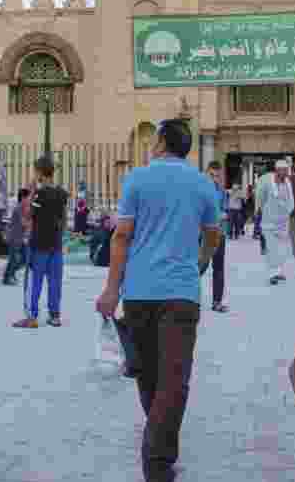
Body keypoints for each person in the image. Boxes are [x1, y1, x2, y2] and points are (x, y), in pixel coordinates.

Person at [94, 118, 221, 482]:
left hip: (139, 293)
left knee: (149, 375)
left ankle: (156, 456)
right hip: (182, 294)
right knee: (174, 378)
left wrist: (111, 289)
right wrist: (201, 261)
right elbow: (213, 235)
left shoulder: (137, 179)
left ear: (162, 142)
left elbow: (121, 237)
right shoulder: (203, 184)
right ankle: (160, 450)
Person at [13, 157, 69, 328]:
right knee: (55, 282)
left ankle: (32, 317)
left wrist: (30, 192)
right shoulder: (61, 193)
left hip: (38, 244)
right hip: (56, 244)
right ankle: (55, 315)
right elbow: (64, 220)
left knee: (34, 282)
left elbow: (26, 217)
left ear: (39, 172)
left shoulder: (39, 194)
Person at [256, 160, 294, 285]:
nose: (286, 173)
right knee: (272, 248)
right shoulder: (266, 181)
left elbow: (290, 200)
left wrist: (288, 211)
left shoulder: (287, 182)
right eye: (283, 170)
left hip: (283, 222)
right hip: (269, 222)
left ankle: (278, 271)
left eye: (286, 170)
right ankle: (272, 274)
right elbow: (260, 198)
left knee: (281, 249)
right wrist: (262, 210)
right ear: (277, 171)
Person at [206, 161, 229, 313]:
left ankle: (217, 301)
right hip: (203, 234)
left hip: (219, 233)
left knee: (219, 267)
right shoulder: (200, 190)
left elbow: (225, 209)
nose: (214, 178)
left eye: (217, 176)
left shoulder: (221, 191)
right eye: (211, 175)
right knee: (198, 268)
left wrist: (223, 215)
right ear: (206, 173)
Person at [2, 188, 31, 285]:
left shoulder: (23, 208)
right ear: (23, 198)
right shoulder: (18, 209)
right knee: (13, 259)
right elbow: (24, 223)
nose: (29, 200)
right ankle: (7, 277)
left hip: (20, 238)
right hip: (14, 238)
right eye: (28, 198)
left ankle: (10, 274)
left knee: (24, 258)